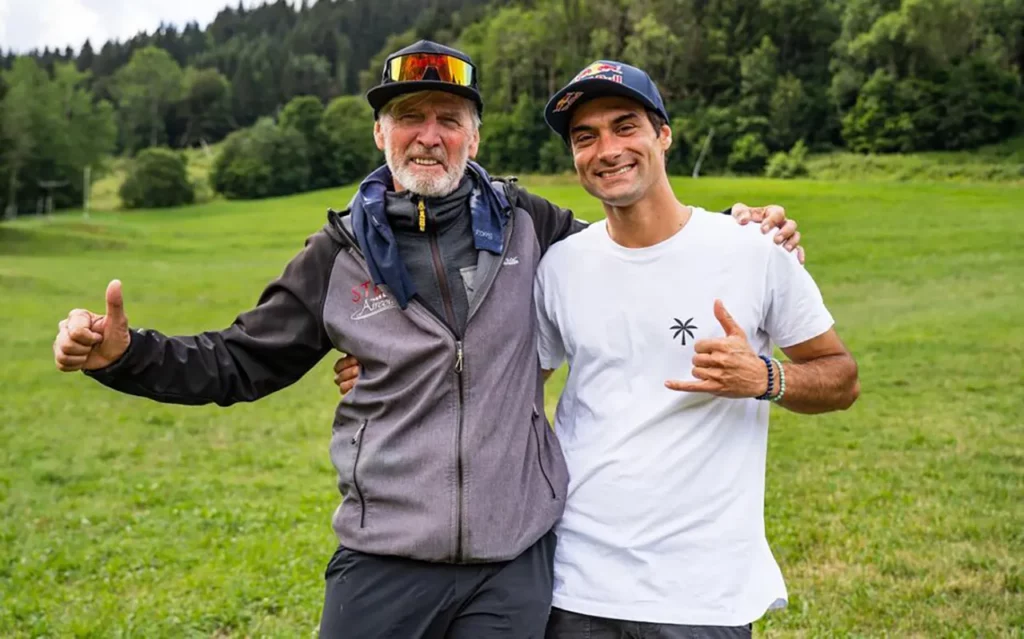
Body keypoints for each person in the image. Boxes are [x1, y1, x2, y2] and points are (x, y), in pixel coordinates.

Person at [53, 41, 804, 639]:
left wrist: (748, 229)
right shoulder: (337, 254)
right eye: (410, 115)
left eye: (449, 117)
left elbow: (635, 251)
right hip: (383, 558)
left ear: (474, 135)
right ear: (380, 131)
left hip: (512, 566)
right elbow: (240, 360)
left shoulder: (531, 226)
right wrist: (125, 354)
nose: (429, 135)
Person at [529, 61, 860, 638]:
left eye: (625, 126)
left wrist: (765, 378)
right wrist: (386, 370)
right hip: (575, 582)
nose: (607, 149)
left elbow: (841, 377)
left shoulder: (753, 250)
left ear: (663, 134)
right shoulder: (559, 267)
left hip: (702, 594)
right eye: (586, 137)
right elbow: (509, 387)